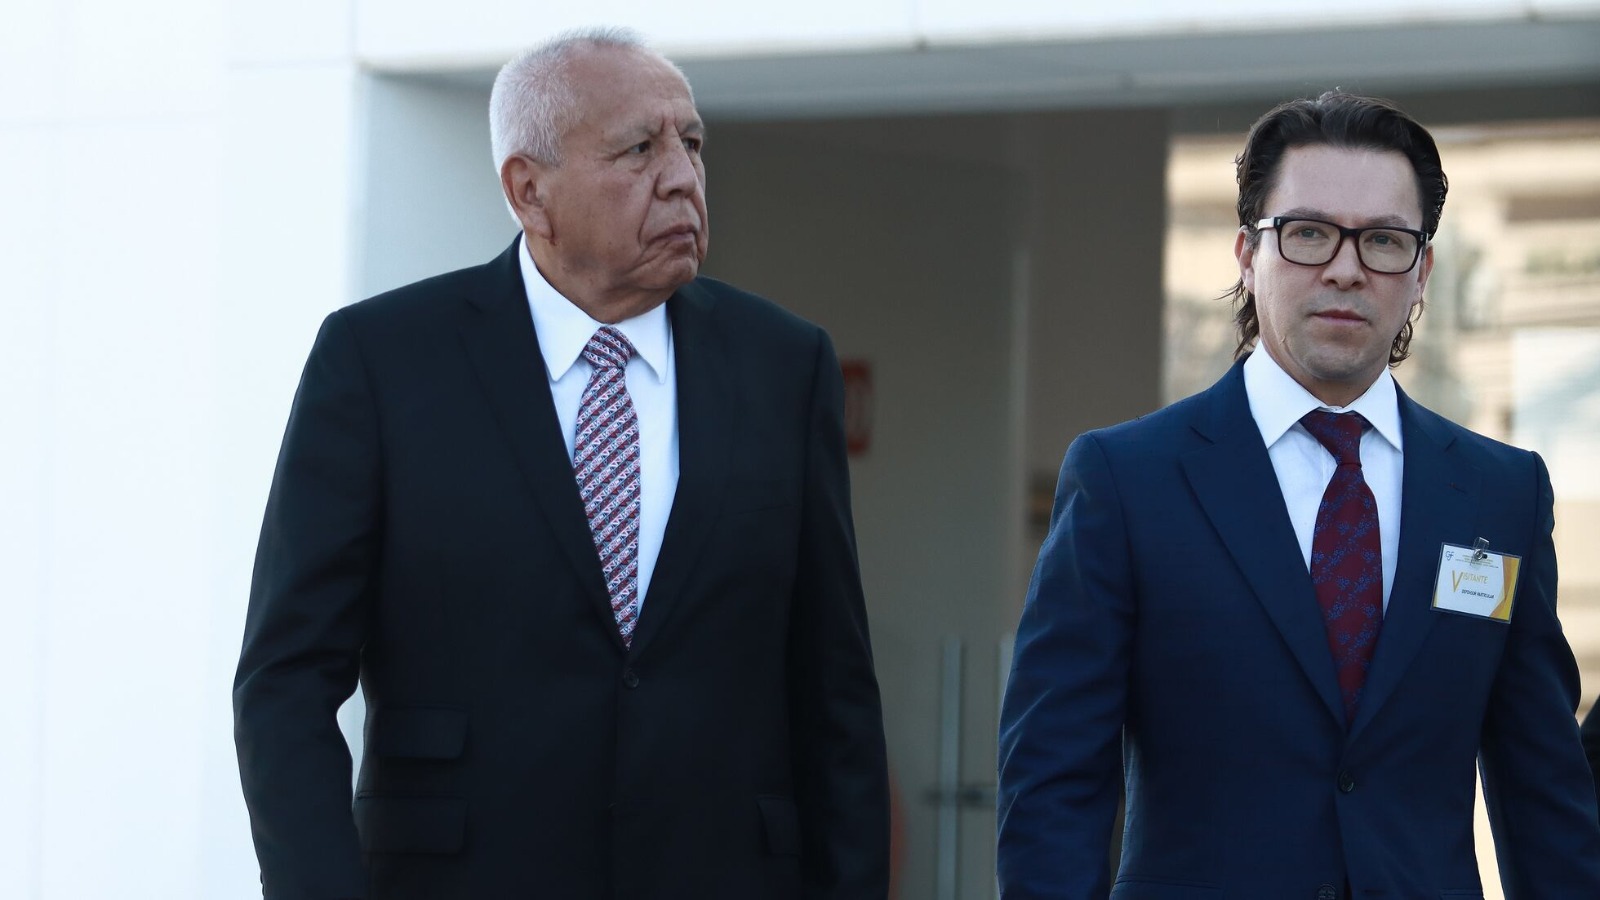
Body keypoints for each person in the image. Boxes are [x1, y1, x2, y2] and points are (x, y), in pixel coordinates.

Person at [233, 27, 889, 900]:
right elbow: (286, 680)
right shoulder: (382, 361)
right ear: (528, 190)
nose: (682, 177)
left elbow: (835, 690)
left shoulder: (784, 365)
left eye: (692, 143)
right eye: (639, 149)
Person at [996, 91, 1600, 898]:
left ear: (1421, 272)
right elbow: (1052, 782)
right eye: (1309, 233)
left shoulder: (1501, 496)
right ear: (1248, 254)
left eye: (1383, 240)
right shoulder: (1128, 480)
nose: (1346, 268)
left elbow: (1543, 790)